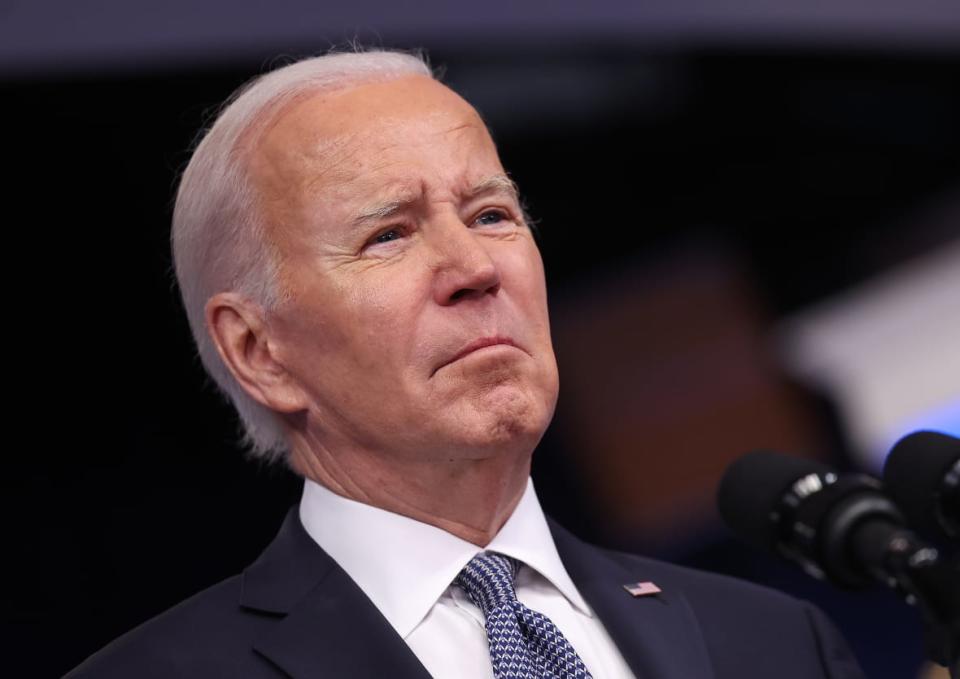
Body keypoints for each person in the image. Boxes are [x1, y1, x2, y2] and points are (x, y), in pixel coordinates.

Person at [67, 50, 865, 678]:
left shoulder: (776, 643)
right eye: (389, 235)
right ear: (259, 351)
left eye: (491, 214)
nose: (475, 266)